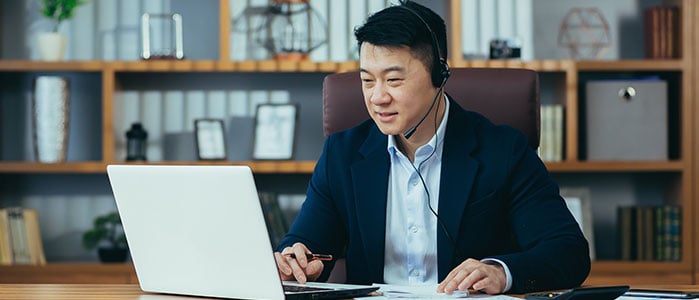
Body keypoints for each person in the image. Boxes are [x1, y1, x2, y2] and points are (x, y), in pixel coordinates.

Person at [274, 0, 590, 295]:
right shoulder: (341, 155)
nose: (377, 97)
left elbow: (568, 251)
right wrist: (298, 262)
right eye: (368, 81)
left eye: (393, 80)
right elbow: (306, 244)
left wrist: (500, 271)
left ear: (440, 74)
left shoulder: (503, 150)